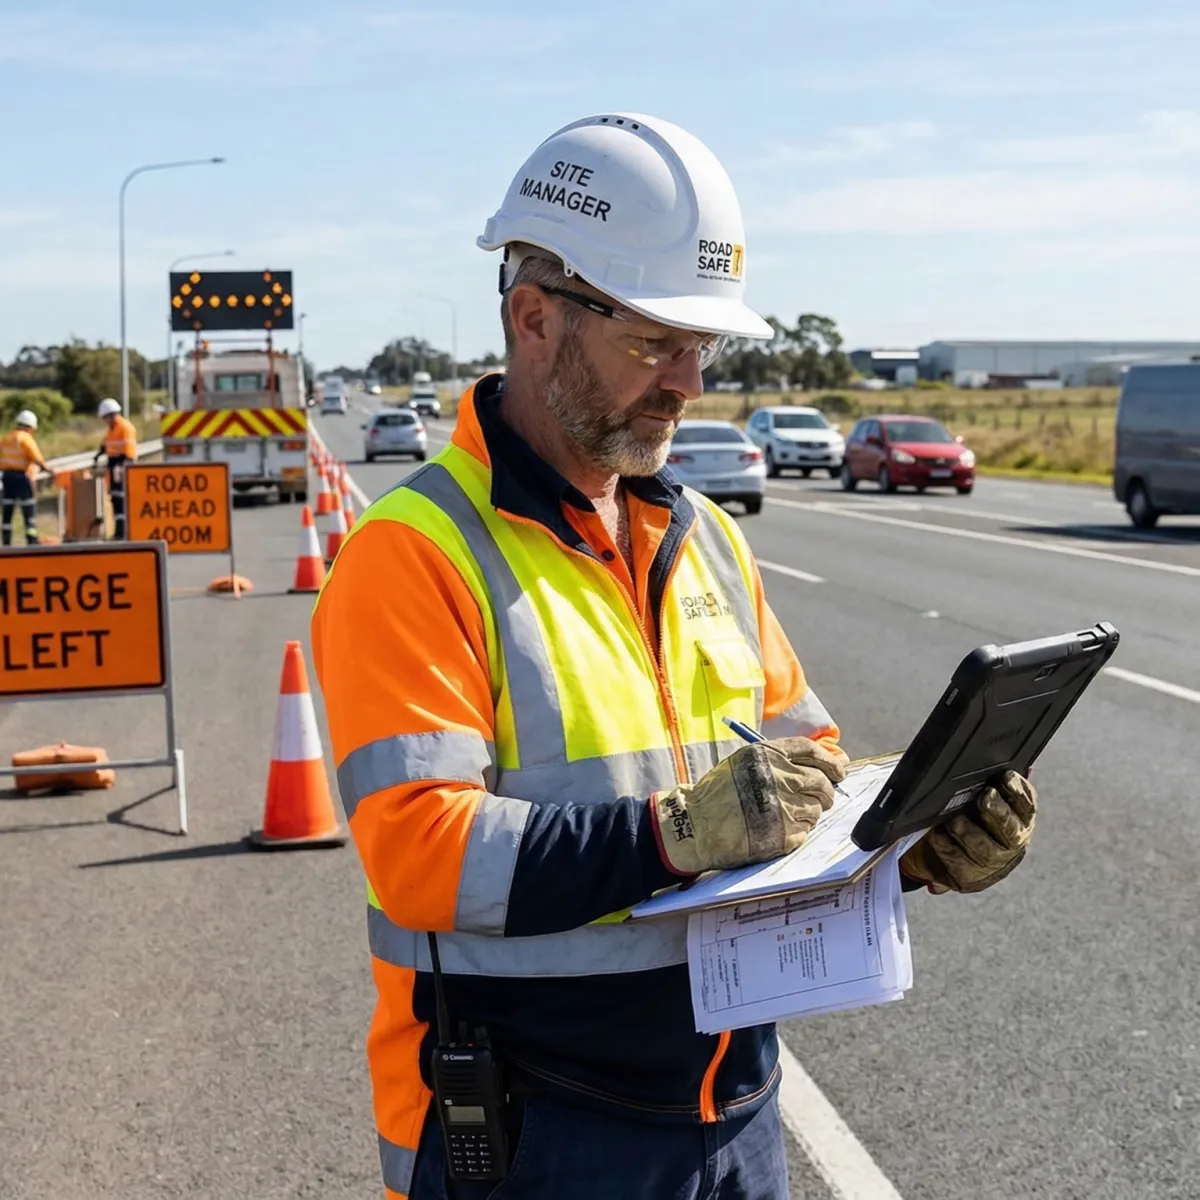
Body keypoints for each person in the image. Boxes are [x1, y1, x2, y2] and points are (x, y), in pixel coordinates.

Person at [311, 112, 1039, 1200]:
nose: (689, 383)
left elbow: (806, 777)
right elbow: (422, 856)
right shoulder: (412, 556)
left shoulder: (701, 536)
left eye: (703, 348)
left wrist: (911, 846)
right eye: (655, 342)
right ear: (534, 318)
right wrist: (676, 833)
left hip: (732, 1109)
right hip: (529, 1131)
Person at [0, 409, 48, 546]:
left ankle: (6, 543)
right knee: (28, 509)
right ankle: (32, 541)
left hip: (7, 478)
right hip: (22, 478)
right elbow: (37, 458)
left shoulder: (6, 438)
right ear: (29, 427)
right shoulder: (25, 439)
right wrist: (48, 469)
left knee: (7, 510)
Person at [93, 397, 138, 539]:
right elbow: (105, 444)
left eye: (105, 418)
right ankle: (119, 530)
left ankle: (123, 531)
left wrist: (123, 467)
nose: (104, 421)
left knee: (120, 497)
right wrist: (98, 455)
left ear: (110, 415)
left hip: (122, 464)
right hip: (114, 464)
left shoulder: (125, 427)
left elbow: (129, 451)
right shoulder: (112, 429)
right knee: (115, 496)